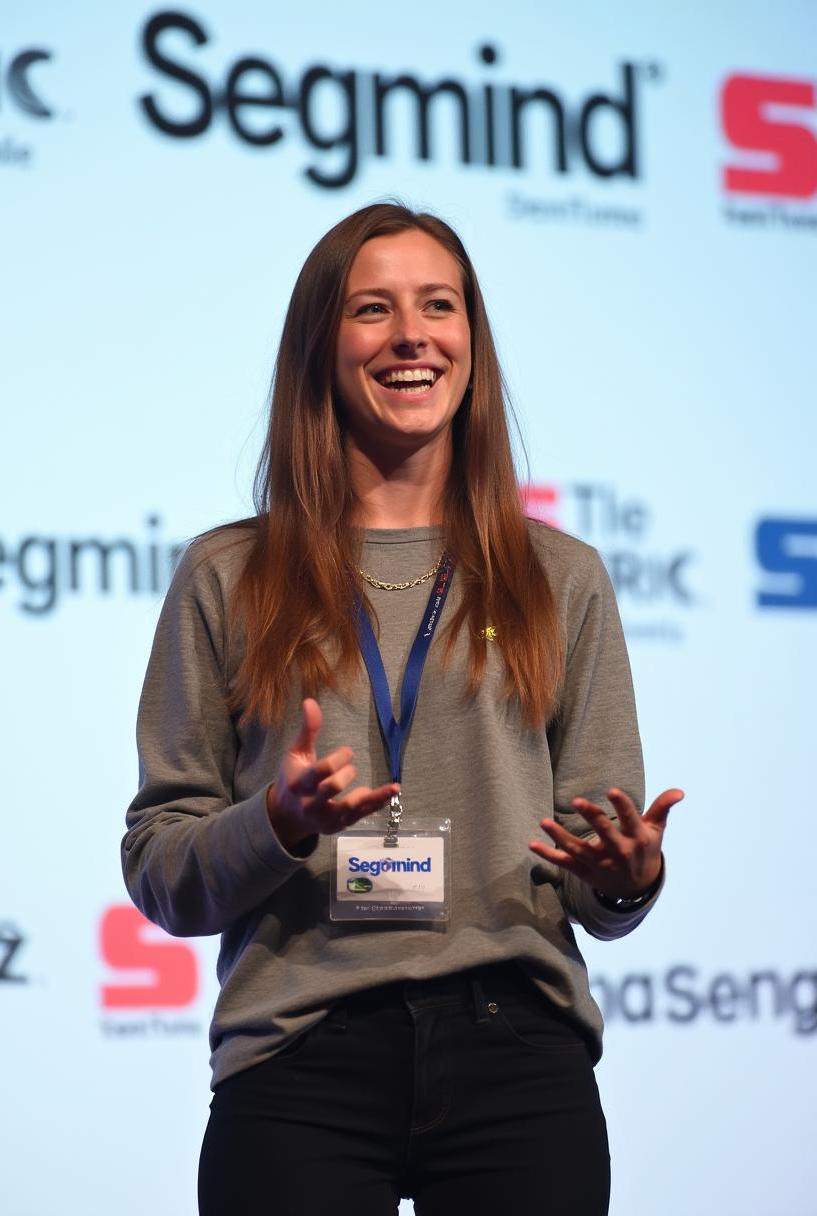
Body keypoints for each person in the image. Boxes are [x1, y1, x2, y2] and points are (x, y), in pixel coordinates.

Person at [122, 201, 683, 1216]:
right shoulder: (228, 573)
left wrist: (627, 879)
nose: (413, 335)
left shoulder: (561, 576)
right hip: (301, 1055)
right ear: (320, 347)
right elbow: (162, 870)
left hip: (518, 1051)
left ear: (471, 340)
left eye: (439, 306)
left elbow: (595, 879)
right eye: (372, 309)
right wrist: (274, 823)